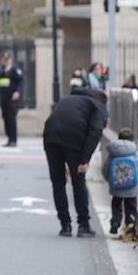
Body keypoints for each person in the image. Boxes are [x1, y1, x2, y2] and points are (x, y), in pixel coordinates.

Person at [42, 82, 109, 237]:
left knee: (58, 183)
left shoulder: (69, 99)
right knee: (78, 182)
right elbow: (95, 132)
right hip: (73, 139)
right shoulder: (98, 105)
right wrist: (85, 160)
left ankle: (65, 225)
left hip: (50, 137)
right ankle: (83, 225)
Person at [102, 128, 138, 235]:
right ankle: (130, 226)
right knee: (131, 206)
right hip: (132, 187)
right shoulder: (134, 152)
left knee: (116, 205)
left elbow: (105, 169)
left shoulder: (114, 152)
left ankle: (115, 222)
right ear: (132, 140)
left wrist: (109, 180)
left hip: (117, 186)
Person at [0, 53, 23, 147]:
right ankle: (9, 139)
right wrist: (5, 71)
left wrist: (17, 92)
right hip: (3, 99)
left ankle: (13, 140)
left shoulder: (15, 70)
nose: (6, 61)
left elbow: (20, 81)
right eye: (4, 60)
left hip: (12, 100)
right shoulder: (0, 69)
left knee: (11, 119)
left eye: (7, 60)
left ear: (10, 60)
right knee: (5, 118)